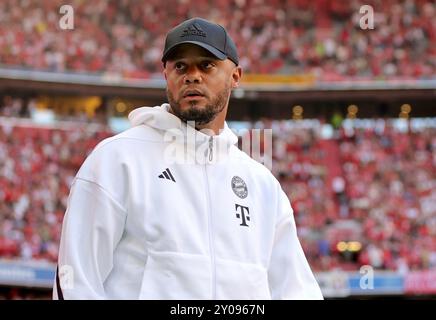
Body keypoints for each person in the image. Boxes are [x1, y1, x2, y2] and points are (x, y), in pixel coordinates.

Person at [53, 17, 323, 300]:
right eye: (180, 65)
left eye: (207, 65)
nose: (192, 75)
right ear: (166, 75)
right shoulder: (117, 159)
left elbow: (296, 290)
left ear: (235, 76)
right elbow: (75, 281)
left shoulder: (262, 185)